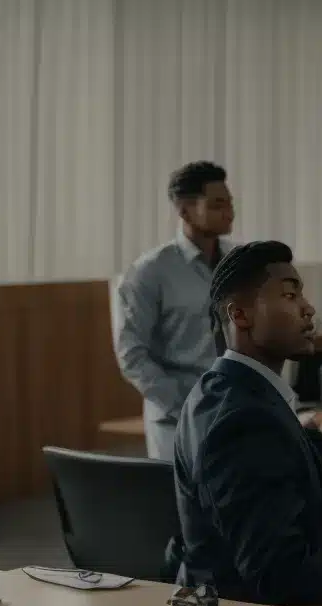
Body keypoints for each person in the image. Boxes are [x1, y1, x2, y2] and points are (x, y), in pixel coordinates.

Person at [168, 241, 322, 606]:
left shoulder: (215, 391)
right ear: (240, 315)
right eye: (289, 295)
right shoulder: (245, 421)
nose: (308, 308)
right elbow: (281, 574)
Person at [115, 161, 234, 459]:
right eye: (218, 204)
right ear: (184, 211)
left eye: (230, 202)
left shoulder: (238, 262)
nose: (229, 211)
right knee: (179, 504)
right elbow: (131, 354)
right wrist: (184, 404)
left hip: (233, 407)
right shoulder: (149, 272)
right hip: (177, 419)